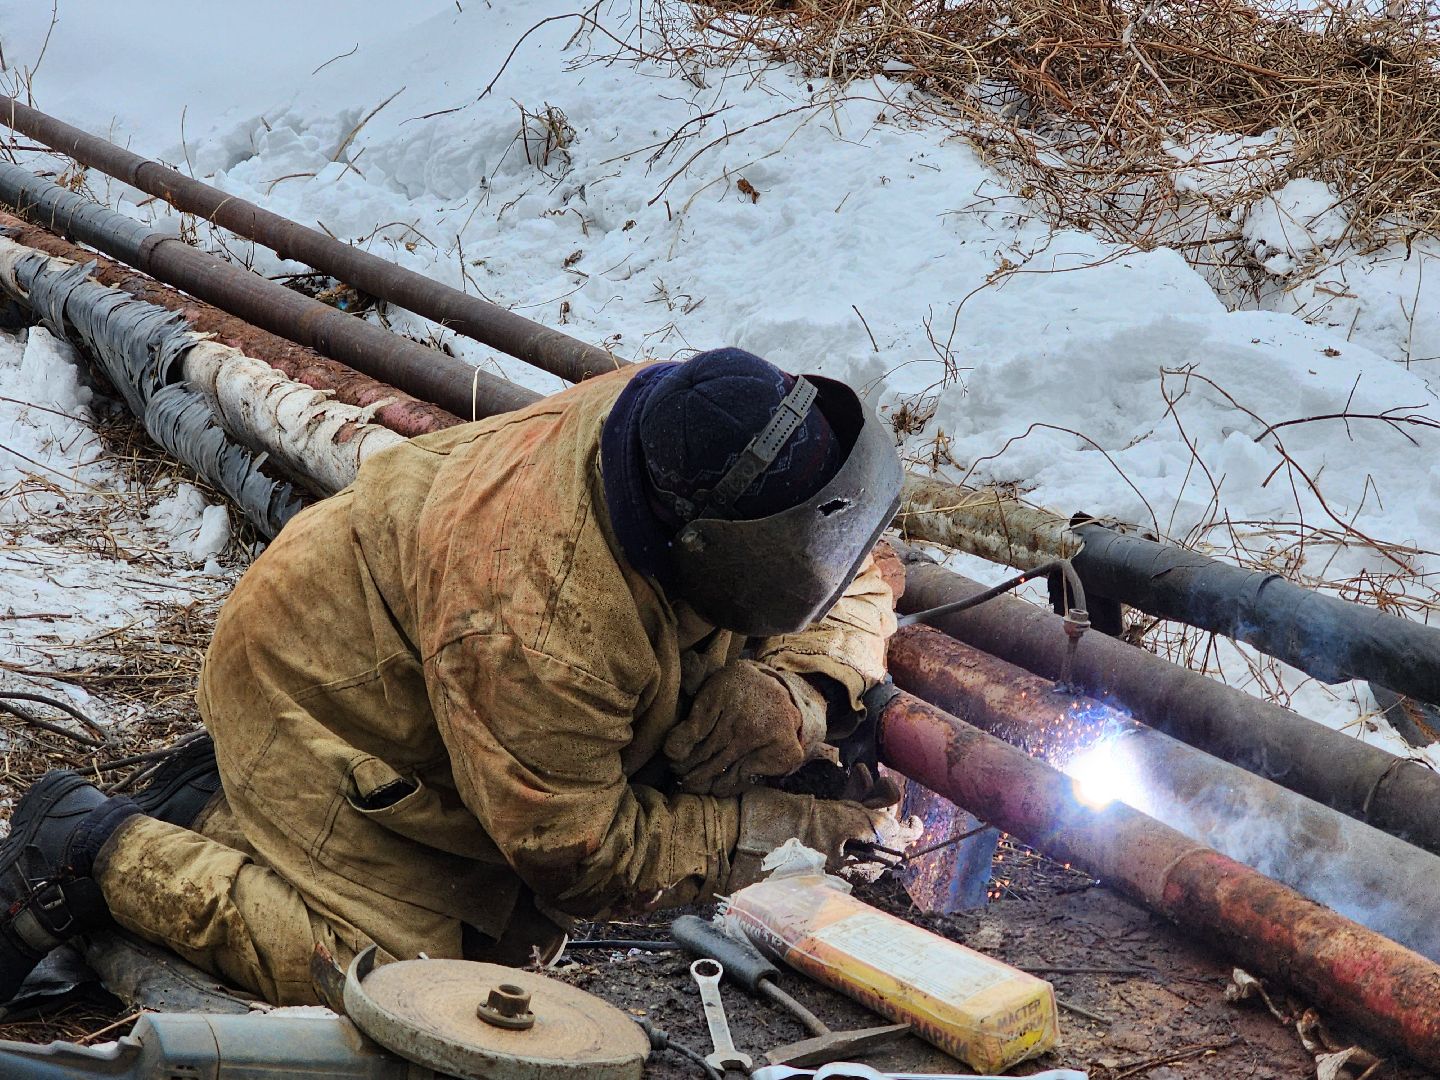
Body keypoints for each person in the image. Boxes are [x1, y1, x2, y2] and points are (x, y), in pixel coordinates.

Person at [0, 347, 904, 1005]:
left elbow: (864, 558)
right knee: (408, 994)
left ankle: (235, 806)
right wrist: (767, 833)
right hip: (310, 683)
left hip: (434, 647)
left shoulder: (712, 419)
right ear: (699, 543)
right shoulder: (544, 625)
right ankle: (97, 844)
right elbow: (582, 863)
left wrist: (808, 687)